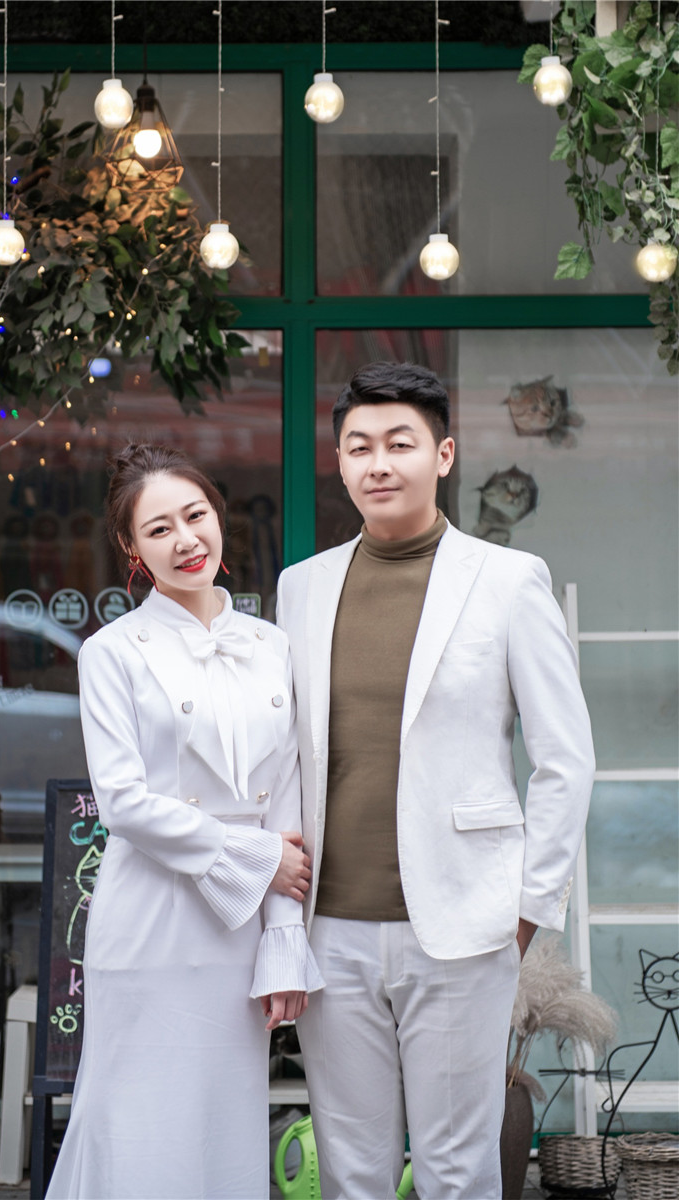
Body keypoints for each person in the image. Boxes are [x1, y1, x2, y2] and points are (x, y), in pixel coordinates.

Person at [276, 362, 595, 1200]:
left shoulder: (508, 580)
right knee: (351, 1167)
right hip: (329, 926)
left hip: (463, 921)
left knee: (457, 1168)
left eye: (400, 443)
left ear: (443, 455)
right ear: (339, 462)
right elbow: (286, 755)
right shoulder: (301, 588)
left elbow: (565, 758)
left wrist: (527, 911)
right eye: (359, 447)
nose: (378, 463)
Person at [46, 443, 322, 1200]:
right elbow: (124, 802)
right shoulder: (111, 653)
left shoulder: (272, 646)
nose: (186, 540)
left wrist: (284, 940)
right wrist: (256, 852)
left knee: (222, 1128)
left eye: (195, 516)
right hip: (151, 924)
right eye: (159, 528)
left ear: (218, 518)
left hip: (237, 933)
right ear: (132, 548)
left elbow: (287, 793)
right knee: (141, 1125)